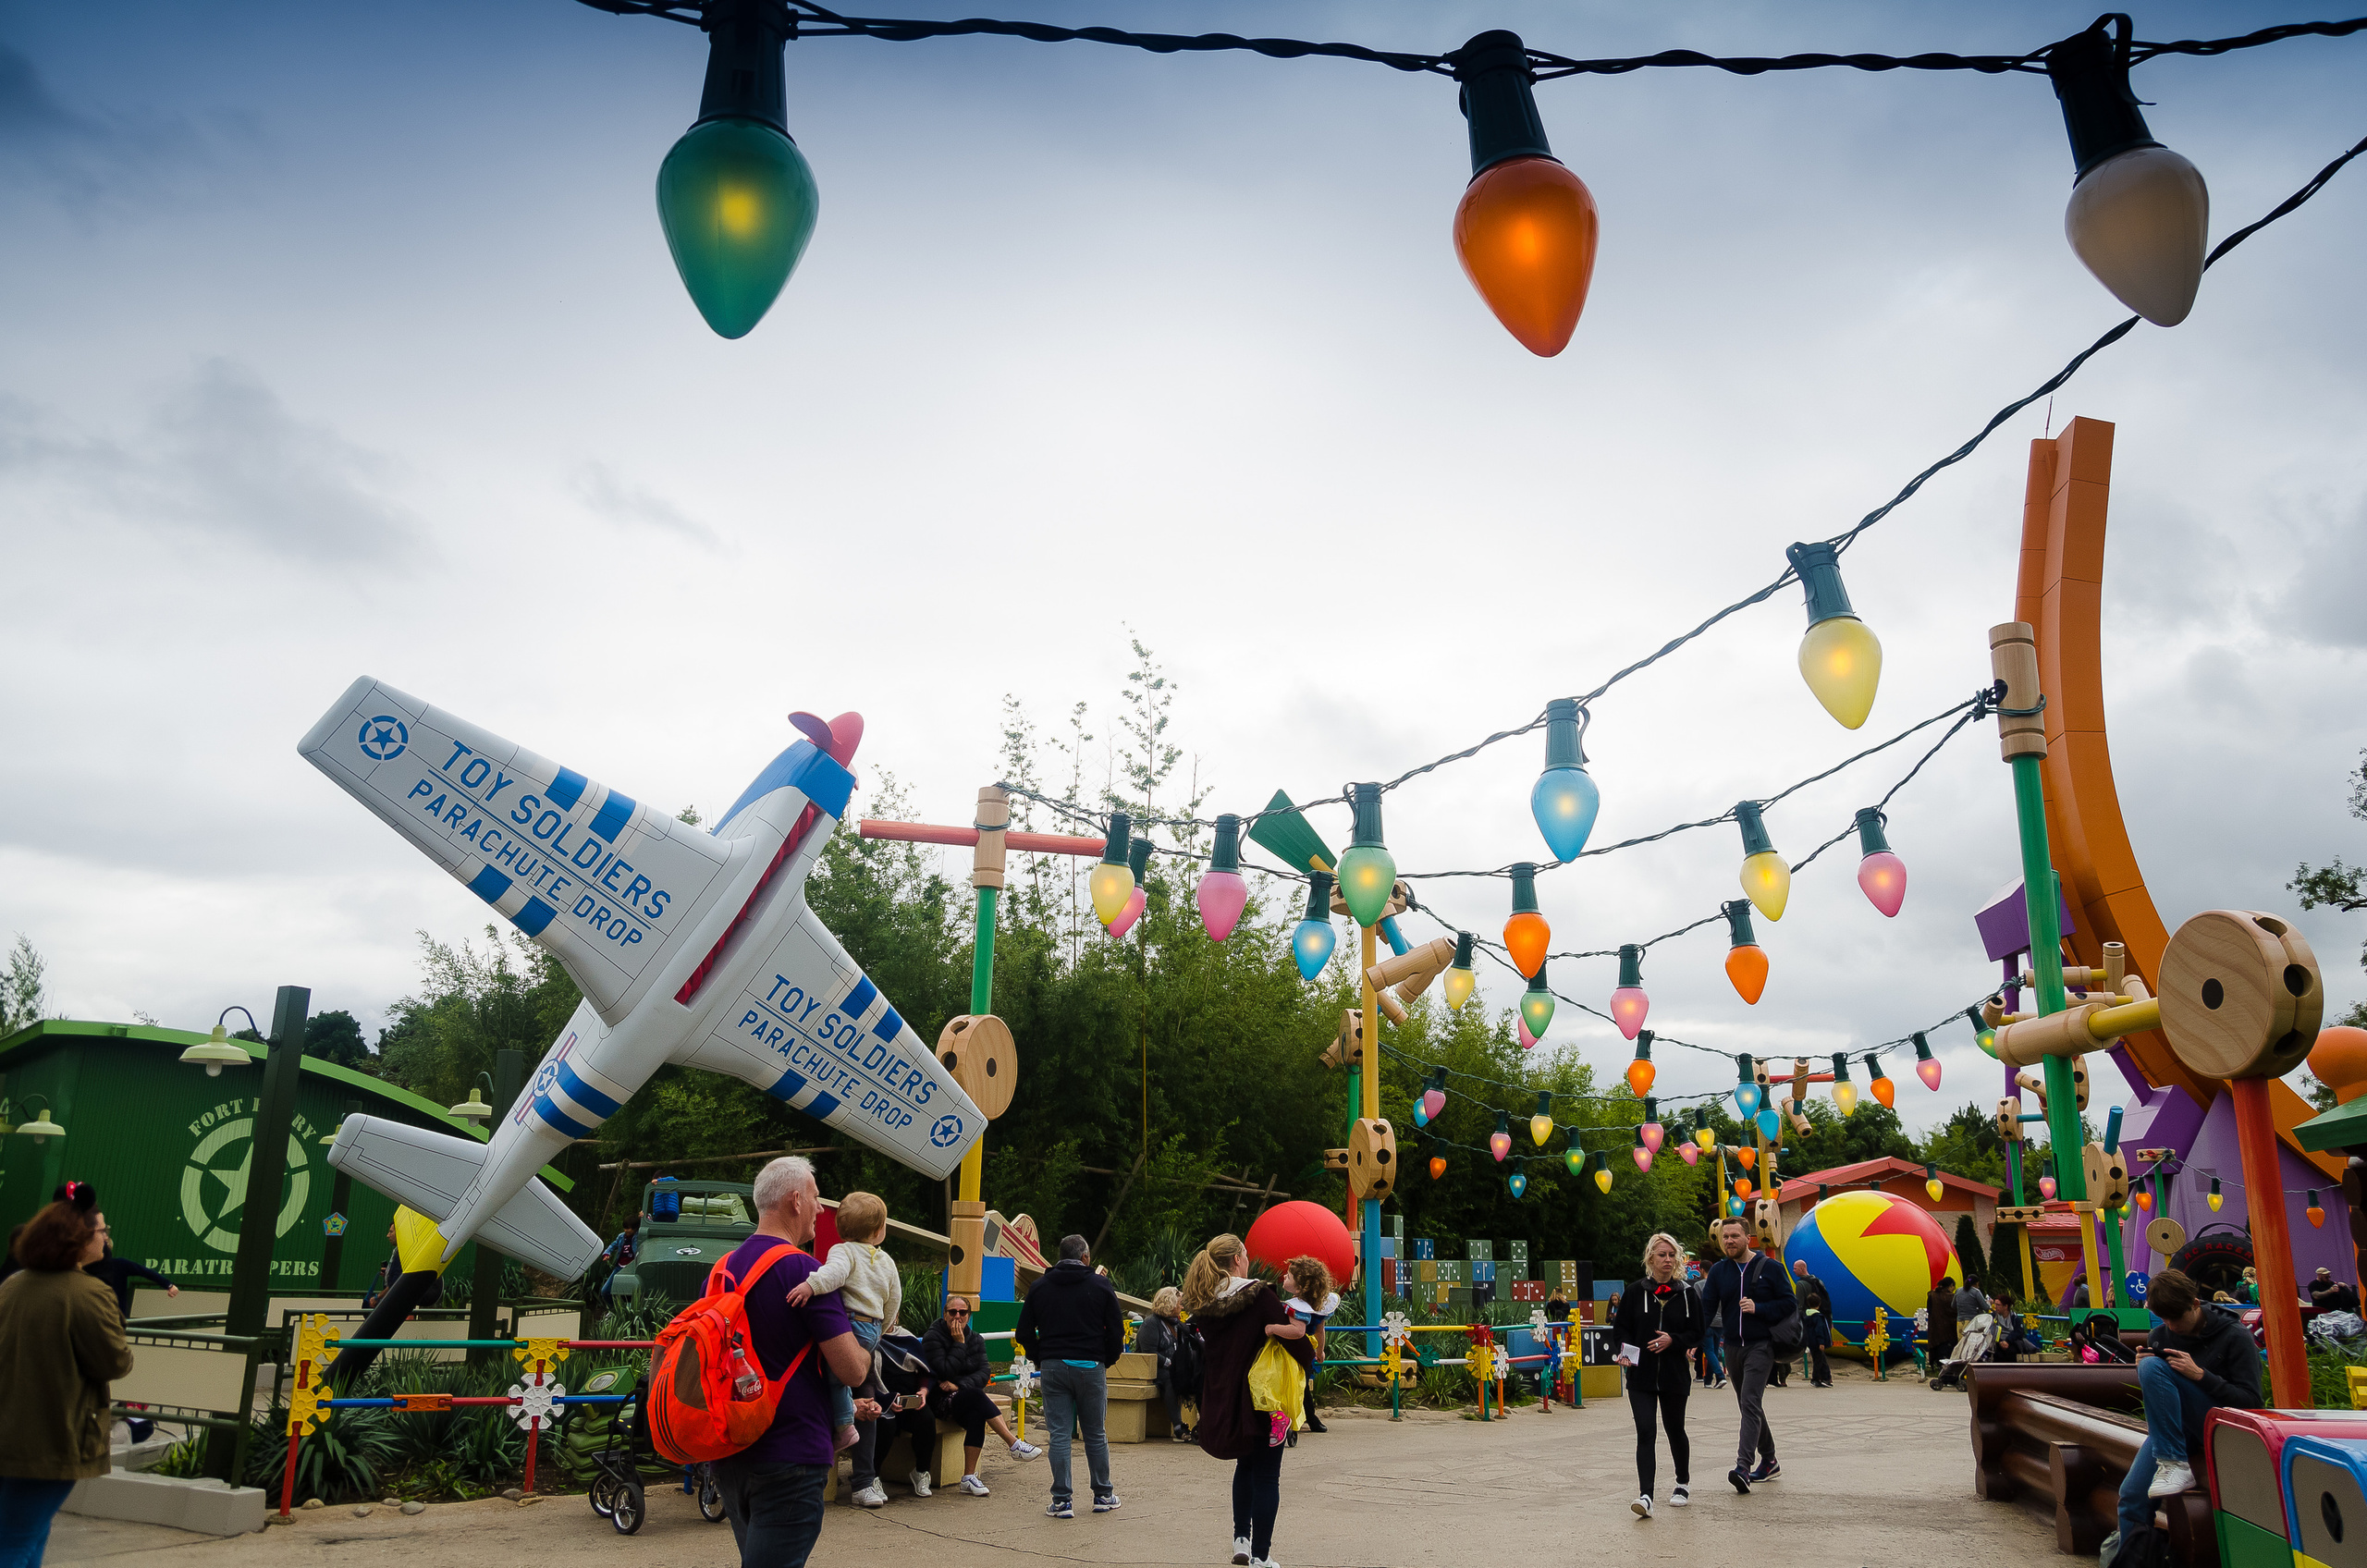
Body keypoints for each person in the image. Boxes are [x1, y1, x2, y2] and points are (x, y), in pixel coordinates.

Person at [709, 1157, 880, 1568]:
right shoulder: (804, 1271)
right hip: (791, 1455)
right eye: (817, 1198)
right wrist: (871, 1333)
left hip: (730, 1452)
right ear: (795, 1201)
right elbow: (852, 1369)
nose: (822, 1209)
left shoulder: (720, 1271)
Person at [0, 1186, 135, 1568]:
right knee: (15, 1542)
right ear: (79, 1238)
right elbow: (114, 1362)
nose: (107, 1239)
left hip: (8, 1428)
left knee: (30, 1533)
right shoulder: (88, 1293)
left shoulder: (14, 1284)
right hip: (54, 1436)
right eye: (102, 1231)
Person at [2109, 1269, 2263, 1555]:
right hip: (2177, 1431)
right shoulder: (2161, 1334)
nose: (2171, 1326)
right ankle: (2132, 1561)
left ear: (2194, 1304)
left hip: (2222, 1425)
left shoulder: (2234, 1335)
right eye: (2163, 1319)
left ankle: (2174, 1462)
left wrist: (2201, 1375)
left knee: (2152, 1366)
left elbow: (2252, 1402)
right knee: (2131, 1497)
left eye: (2176, 1318)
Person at [1183, 1234, 1310, 1568]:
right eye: (1247, 1254)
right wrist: (1312, 1356)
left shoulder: (1204, 1302)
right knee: (1268, 1475)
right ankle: (1261, 1556)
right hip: (1264, 1397)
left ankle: (1241, 1538)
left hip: (1224, 1397)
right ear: (1238, 1258)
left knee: (1245, 1465)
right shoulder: (1258, 1295)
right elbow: (1293, 1339)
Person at [785, 1191, 902, 1507]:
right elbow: (894, 1299)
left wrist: (811, 1285)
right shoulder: (886, 1261)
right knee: (861, 1384)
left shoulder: (843, 1251)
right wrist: (884, 1326)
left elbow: (832, 1275)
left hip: (849, 1325)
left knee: (839, 1378)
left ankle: (844, 1426)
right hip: (874, 1327)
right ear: (879, 1230)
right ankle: (864, 1476)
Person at [1013, 1233, 1123, 1519]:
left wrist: (1043, 1356)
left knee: (1059, 1434)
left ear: (1058, 1257)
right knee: (1095, 1433)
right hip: (1091, 1367)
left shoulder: (1040, 1287)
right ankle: (1103, 1495)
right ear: (1085, 1257)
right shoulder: (1100, 1286)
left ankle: (1062, 1501)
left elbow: (1023, 1332)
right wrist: (1106, 1360)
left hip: (1053, 1366)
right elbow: (1116, 1331)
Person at [1697, 1217, 1796, 1494]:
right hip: (1732, 1348)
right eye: (1724, 1237)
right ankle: (1771, 1459)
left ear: (1747, 1238)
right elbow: (1706, 1309)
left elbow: (1789, 1303)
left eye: (1734, 1236)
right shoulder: (1718, 1272)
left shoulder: (1771, 1268)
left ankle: (1743, 1467)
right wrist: (1692, 1340)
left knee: (1750, 1402)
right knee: (1748, 1405)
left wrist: (1759, 1308)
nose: (1728, 1241)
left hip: (1760, 1346)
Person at [1613, 1231, 1703, 1518]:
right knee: (1646, 1431)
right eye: (1662, 1254)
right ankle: (1646, 1495)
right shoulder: (1634, 1291)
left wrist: (1673, 1341)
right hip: (1641, 1376)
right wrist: (1625, 1353)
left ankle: (1682, 1483)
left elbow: (1698, 1331)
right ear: (1650, 1258)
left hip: (1674, 1375)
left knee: (1675, 1429)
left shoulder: (1687, 1293)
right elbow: (1622, 1328)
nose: (1668, 1259)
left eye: (1671, 1254)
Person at [921, 1293, 1041, 1495]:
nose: (957, 1317)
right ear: (945, 1314)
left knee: (976, 1413)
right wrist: (958, 1344)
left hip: (962, 1395)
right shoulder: (933, 1336)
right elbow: (943, 1372)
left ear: (968, 1315)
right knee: (976, 1396)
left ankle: (968, 1477)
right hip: (937, 1399)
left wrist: (959, 1385)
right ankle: (1013, 1443)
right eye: (952, 1312)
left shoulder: (975, 1338)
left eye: (962, 1312)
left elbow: (984, 1372)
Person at [1280, 1258, 1337, 1438]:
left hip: (1293, 1347)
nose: (1283, 1276)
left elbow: (1309, 1330)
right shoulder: (1315, 1305)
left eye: (1288, 1276)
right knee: (1300, 1384)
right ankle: (1309, 1418)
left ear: (1300, 1287)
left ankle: (1302, 1417)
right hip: (1306, 1348)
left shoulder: (1297, 1307)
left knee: (1298, 1385)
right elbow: (1320, 1330)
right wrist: (1320, 1351)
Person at [1133, 1288, 1191, 1441]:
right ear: (1170, 1303)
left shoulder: (1177, 1324)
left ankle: (1204, 1423)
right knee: (1171, 1379)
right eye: (1179, 1303)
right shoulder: (1151, 1324)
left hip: (1173, 1369)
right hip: (1152, 1370)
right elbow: (1149, 1353)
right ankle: (1178, 1427)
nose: (1182, 1307)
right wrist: (1171, 1363)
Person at [1791, 1259, 1833, 1387]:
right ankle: (1825, 1376)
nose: (1794, 1271)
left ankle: (1820, 1377)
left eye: (1796, 1268)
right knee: (1818, 1352)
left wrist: (1797, 1322)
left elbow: (1800, 1305)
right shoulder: (1818, 1281)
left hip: (1808, 1322)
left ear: (1802, 1268)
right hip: (1823, 1318)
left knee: (1816, 1352)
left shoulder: (1801, 1285)